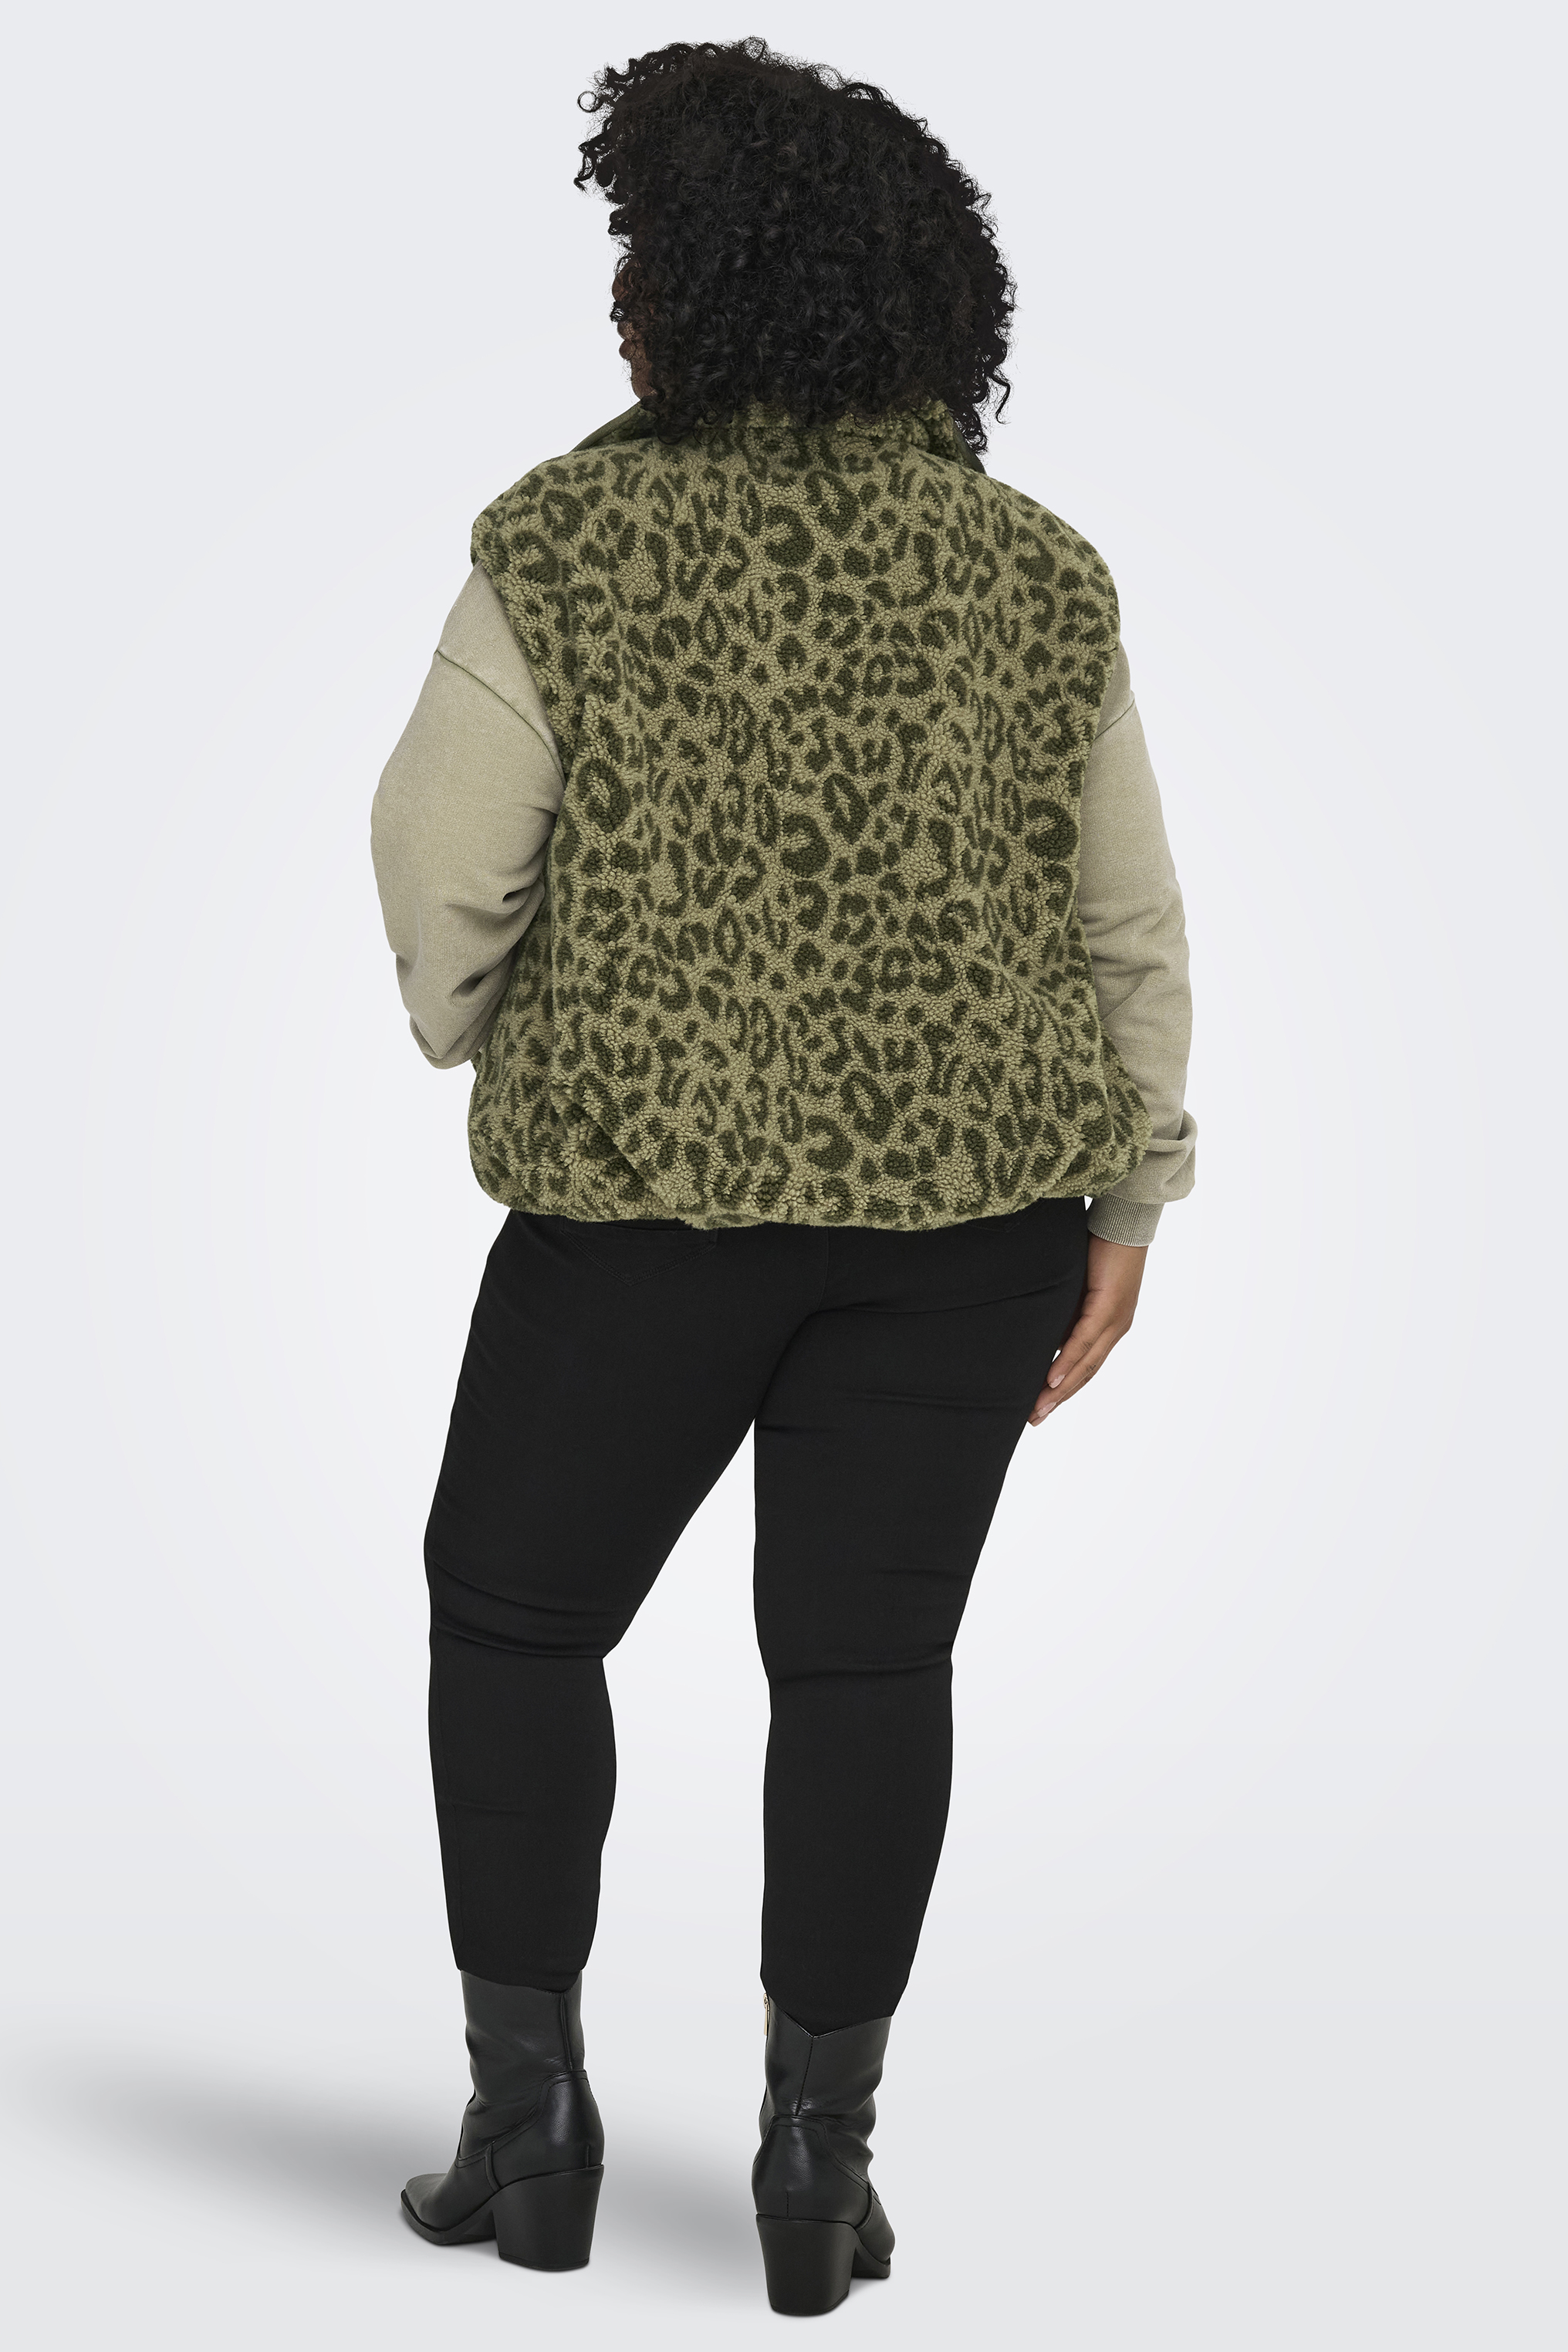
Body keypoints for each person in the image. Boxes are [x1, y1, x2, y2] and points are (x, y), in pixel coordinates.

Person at [371, 35, 1195, 2317]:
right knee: (866, 1666)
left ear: (699, 292)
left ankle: (529, 2130)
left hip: (639, 1218)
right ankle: (818, 2174)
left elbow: (441, 862)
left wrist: (493, 1022)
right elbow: (1126, 918)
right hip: (974, 1232)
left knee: (517, 1620)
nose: (617, 301)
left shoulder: (568, 538)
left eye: (639, 258)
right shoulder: (1038, 573)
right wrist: (1133, 1200)